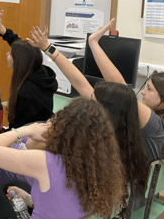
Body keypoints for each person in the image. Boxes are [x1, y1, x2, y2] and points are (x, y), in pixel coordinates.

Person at [29, 20, 164, 197]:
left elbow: (117, 85)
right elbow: (82, 85)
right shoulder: (144, 122)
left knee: (47, 149)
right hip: (131, 194)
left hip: (124, 198)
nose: (143, 92)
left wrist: (93, 44)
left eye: (150, 89)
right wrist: (50, 49)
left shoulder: (154, 126)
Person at [0, 9, 57, 127]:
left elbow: (19, 130)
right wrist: (3, 30)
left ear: (18, 61)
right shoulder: (39, 72)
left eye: (10, 53)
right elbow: (22, 49)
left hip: (26, 134)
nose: (7, 54)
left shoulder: (25, 93)